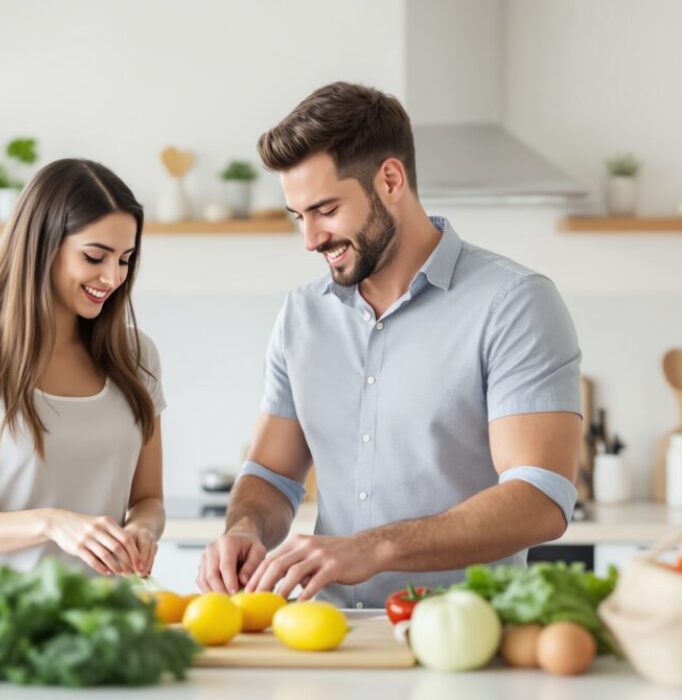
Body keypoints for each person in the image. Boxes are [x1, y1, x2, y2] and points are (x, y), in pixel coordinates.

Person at [198, 82, 582, 608]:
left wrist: (376, 548)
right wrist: (245, 529)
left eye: (326, 210)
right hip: (330, 635)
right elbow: (271, 475)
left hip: (467, 634)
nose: (310, 239)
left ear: (391, 180)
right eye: (299, 217)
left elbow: (540, 497)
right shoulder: (302, 315)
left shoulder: (513, 304)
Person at [0, 158, 165, 580]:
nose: (113, 277)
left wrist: (142, 529)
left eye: (125, 259)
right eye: (95, 256)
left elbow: (149, 499)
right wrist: (50, 523)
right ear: (42, 246)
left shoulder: (136, 355)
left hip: (98, 619)